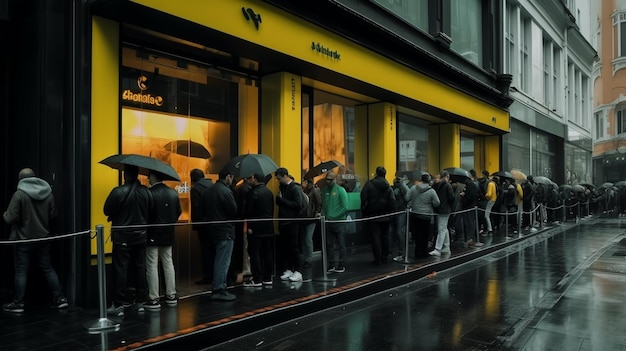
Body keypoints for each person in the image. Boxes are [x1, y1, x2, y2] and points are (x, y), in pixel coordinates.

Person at [2, 168, 68, 313]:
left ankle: (18, 303)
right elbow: (52, 215)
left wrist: (6, 214)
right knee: (48, 268)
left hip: (23, 240)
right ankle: (60, 298)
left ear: (21, 180)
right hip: (43, 239)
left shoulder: (19, 195)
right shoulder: (48, 194)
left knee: (21, 272)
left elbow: (9, 218)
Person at [104, 165, 152, 315]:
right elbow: (150, 211)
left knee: (120, 269)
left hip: (122, 236)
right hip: (141, 236)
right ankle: (140, 302)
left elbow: (106, 210)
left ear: (125, 175)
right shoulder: (146, 192)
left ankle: (119, 303)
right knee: (140, 268)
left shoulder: (118, 191)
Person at [145, 172, 182, 310]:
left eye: (149, 176)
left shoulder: (149, 193)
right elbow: (178, 211)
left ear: (154, 177)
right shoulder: (173, 193)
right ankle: (171, 295)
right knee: (168, 263)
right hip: (168, 232)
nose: (148, 178)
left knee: (152, 264)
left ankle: (154, 297)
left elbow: (146, 214)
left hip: (152, 232)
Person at [202, 168, 237, 301]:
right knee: (223, 261)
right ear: (228, 176)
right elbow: (233, 209)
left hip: (213, 229)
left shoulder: (209, 190)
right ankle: (219, 288)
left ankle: (217, 286)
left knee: (217, 259)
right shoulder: (225, 191)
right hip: (225, 230)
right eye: (232, 177)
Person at [243, 173, 275, 287]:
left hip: (255, 228)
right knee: (267, 253)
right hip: (268, 227)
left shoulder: (253, 193)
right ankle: (267, 277)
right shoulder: (269, 192)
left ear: (254, 179)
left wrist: (249, 226)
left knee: (254, 252)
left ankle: (256, 279)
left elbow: (248, 211)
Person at [274, 167, 306, 282]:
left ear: (285, 176)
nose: (278, 181)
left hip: (293, 222)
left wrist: (282, 201)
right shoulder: (282, 188)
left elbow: (298, 204)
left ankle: (298, 270)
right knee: (285, 247)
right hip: (284, 221)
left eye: (279, 178)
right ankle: (289, 269)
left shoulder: (295, 188)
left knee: (294, 247)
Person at [361, 166, 395, 265]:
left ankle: (378, 259)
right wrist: (392, 213)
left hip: (373, 215)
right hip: (386, 215)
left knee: (375, 237)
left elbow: (363, 198)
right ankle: (385, 256)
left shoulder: (369, 184)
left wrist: (365, 213)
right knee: (385, 236)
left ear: (376, 173)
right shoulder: (388, 186)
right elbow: (392, 201)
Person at [405, 173, 440, 258]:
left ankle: (417, 252)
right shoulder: (431, 191)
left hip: (415, 214)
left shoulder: (414, 188)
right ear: (428, 181)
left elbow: (407, 198)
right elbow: (437, 203)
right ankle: (423, 252)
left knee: (417, 234)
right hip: (426, 215)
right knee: (425, 235)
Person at [321, 171, 349, 272]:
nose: (328, 182)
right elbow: (324, 205)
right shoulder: (324, 190)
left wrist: (333, 216)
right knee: (329, 245)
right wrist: (324, 215)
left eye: (330, 180)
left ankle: (341, 264)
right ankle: (331, 264)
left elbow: (345, 207)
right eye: (326, 180)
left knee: (341, 244)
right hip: (328, 222)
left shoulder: (341, 190)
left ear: (334, 179)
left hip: (339, 222)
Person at [190, 169, 214, 285]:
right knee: (213, 250)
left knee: (206, 251)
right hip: (214, 222)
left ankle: (207, 276)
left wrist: (195, 224)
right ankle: (214, 275)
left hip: (202, 224)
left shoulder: (195, 188)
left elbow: (196, 208)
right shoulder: (213, 185)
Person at [430, 170, 453, 256]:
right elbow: (451, 198)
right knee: (443, 228)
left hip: (440, 209)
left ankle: (438, 248)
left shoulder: (438, 185)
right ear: (446, 177)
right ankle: (445, 247)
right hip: (446, 209)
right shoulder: (447, 185)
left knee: (442, 229)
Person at [301, 178, 322, 268]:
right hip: (304, 218)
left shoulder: (314, 191)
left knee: (308, 239)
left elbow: (319, 203)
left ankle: (308, 259)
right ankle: (305, 257)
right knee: (304, 239)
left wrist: (317, 212)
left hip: (311, 218)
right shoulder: (303, 191)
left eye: (304, 182)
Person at [391, 173, 410, 260]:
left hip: (399, 211)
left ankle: (401, 253)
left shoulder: (397, 186)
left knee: (399, 232)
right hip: (400, 210)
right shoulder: (403, 186)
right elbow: (407, 198)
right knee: (399, 232)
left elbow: (407, 197)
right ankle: (401, 252)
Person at [482, 171, 497, 235]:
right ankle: (490, 228)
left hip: (490, 200)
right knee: (488, 215)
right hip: (494, 199)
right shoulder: (494, 183)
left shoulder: (490, 184)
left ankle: (489, 229)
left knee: (486, 215)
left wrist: (485, 195)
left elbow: (489, 194)